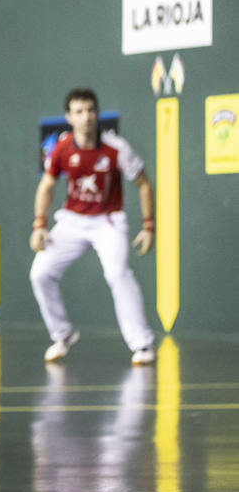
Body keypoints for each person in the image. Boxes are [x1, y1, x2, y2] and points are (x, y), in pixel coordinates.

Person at [29, 88, 156, 365]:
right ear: (69, 117)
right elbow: (47, 185)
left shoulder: (116, 148)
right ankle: (62, 334)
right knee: (40, 273)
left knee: (117, 273)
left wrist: (149, 227)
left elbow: (144, 183)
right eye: (79, 112)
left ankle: (143, 344)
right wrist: (40, 224)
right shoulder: (61, 147)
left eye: (90, 111)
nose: (86, 117)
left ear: (97, 114)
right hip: (72, 221)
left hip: (108, 222)